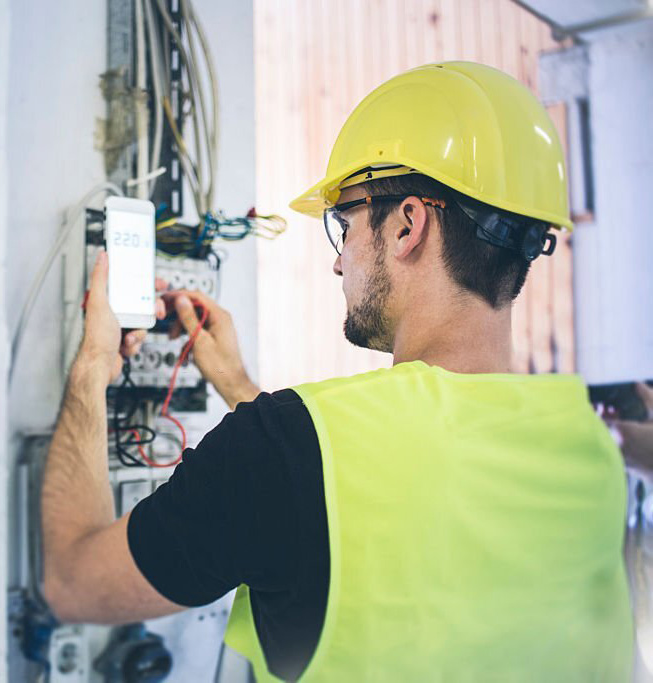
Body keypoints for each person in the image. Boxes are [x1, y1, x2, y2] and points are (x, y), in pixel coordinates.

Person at [41, 62, 633, 682]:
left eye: (343, 222)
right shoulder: (590, 448)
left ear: (407, 225)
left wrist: (91, 366)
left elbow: (73, 581)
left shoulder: (284, 449)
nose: (337, 263)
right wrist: (242, 390)